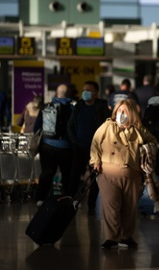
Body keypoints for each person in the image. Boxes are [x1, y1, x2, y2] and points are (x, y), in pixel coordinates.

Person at [90, 98, 157, 249]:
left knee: (129, 207)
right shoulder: (108, 126)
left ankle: (126, 237)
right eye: (119, 111)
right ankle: (111, 238)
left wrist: (146, 150)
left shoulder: (139, 129)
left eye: (125, 111)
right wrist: (96, 161)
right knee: (111, 206)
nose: (121, 114)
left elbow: (153, 142)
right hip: (107, 173)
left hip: (132, 174)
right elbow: (95, 143)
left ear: (132, 113)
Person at [67, 81, 110, 214]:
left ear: (95, 93)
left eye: (88, 90)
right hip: (79, 146)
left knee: (94, 178)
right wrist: (74, 141)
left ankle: (91, 205)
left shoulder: (101, 107)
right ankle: (71, 201)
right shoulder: (79, 106)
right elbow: (70, 125)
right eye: (84, 90)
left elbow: (108, 127)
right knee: (74, 175)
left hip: (96, 149)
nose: (85, 93)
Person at [33, 83, 73, 206]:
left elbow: (36, 127)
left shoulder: (46, 107)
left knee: (47, 173)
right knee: (67, 174)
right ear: (69, 94)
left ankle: (40, 198)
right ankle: (68, 197)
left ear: (56, 93)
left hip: (47, 146)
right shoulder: (72, 109)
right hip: (66, 148)